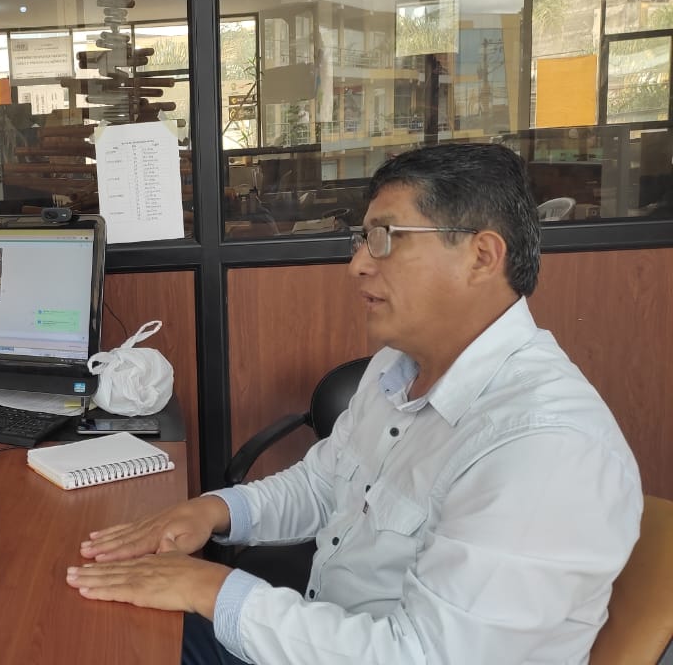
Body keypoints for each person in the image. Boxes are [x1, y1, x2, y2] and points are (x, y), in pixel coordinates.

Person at [66, 143, 642, 664]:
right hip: (323, 633)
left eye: (385, 238)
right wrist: (212, 511)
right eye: (362, 240)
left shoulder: (544, 449)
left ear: (482, 256)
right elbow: (325, 484)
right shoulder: (397, 367)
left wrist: (208, 588)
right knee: (96, 618)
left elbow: (423, 657)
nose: (358, 264)